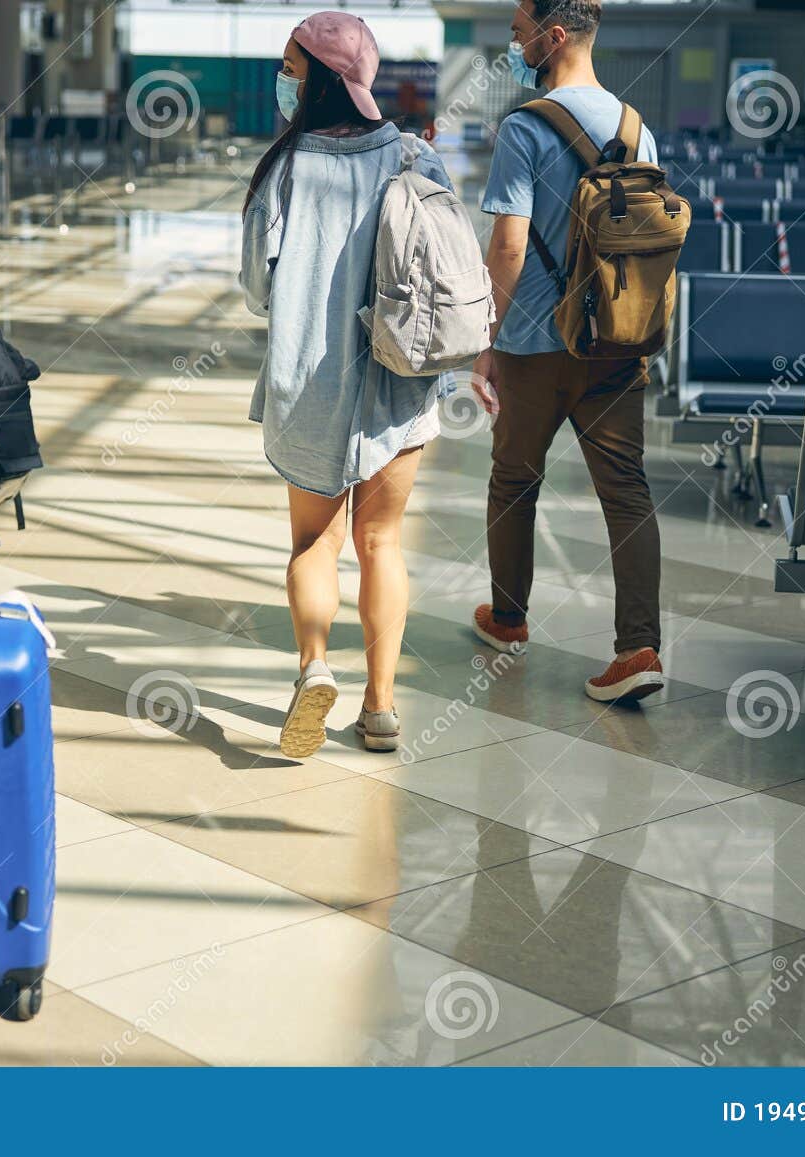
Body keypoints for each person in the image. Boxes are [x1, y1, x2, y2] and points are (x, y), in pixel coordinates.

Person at [240, 12, 454, 758]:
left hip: (310, 384)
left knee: (313, 543)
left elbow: (257, 291)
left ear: (321, 78)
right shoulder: (416, 157)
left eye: (292, 67)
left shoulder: (286, 165)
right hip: (400, 381)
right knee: (381, 541)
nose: (285, 80)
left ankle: (313, 668)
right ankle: (383, 707)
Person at [470, 0, 666, 704]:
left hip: (535, 343)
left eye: (521, 30)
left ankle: (509, 618)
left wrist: (485, 342)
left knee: (514, 480)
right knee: (628, 493)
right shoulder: (638, 131)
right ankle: (638, 647)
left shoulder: (525, 128)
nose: (514, 39)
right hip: (618, 341)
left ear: (555, 37)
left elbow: (510, 245)